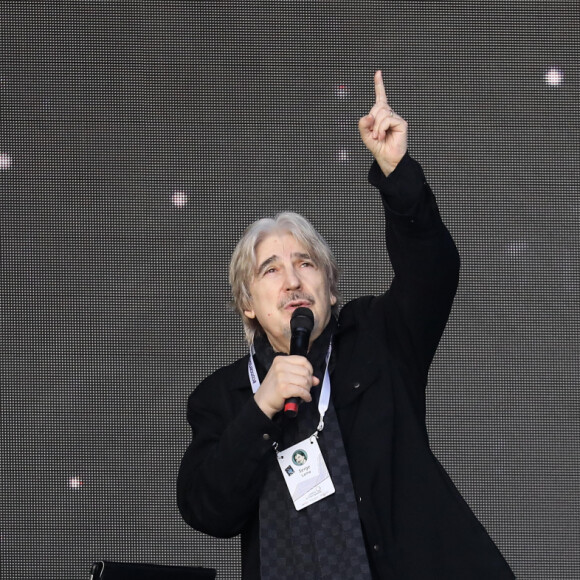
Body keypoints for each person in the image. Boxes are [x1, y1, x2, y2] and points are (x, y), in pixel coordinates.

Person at [177, 71, 515, 579]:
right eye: (270, 270)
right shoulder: (220, 398)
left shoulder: (378, 336)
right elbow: (207, 510)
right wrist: (262, 406)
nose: (291, 280)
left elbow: (434, 271)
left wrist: (396, 170)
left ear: (330, 291)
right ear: (247, 302)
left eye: (306, 264)